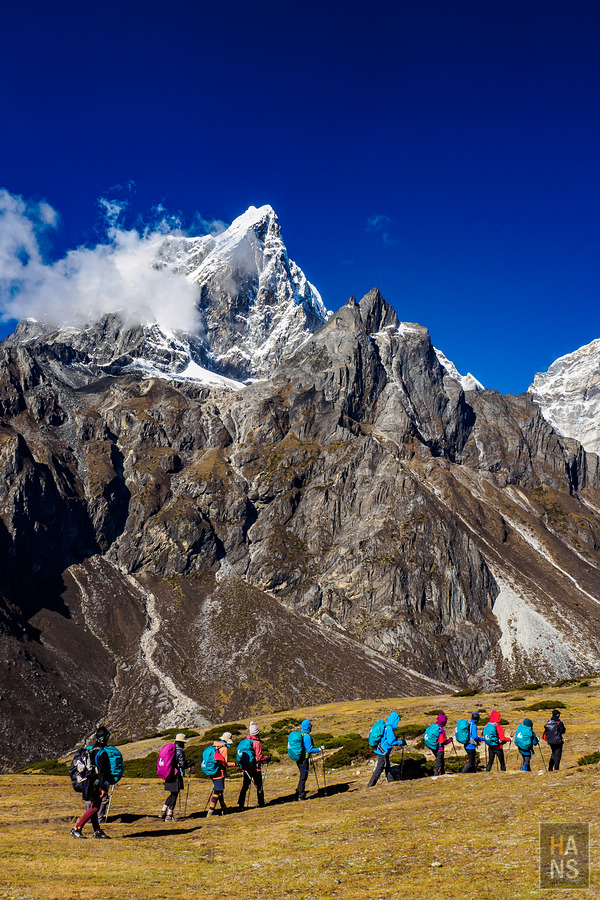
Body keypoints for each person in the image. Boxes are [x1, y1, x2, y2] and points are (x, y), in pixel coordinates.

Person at [69, 726, 112, 839]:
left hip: (90, 782)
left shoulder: (92, 750)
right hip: (97, 784)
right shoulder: (102, 753)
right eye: (108, 736)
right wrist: (103, 787)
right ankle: (77, 828)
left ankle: (97, 830)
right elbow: (102, 772)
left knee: (94, 806)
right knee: (95, 808)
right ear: (104, 738)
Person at [367, 712, 407, 786]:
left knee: (387, 766)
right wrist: (401, 742)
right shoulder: (389, 728)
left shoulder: (386, 726)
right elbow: (391, 741)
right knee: (380, 768)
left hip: (382, 750)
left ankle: (390, 781)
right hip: (383, 751)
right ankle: (370, 785)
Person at [238, 722, 270, 809]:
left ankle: (240, 804)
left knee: (245, 786)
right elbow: (259, 757)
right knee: (259, 785)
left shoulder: (246, 741)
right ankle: (261, 803)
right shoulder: (257, 743)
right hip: (255, 769)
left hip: (246, 768)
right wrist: (267, 758)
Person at [159, 733, 190, 822]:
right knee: (175, 794)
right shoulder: (180, 751)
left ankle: (163, 811)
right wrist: (189, 764)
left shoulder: (171, 749)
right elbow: (182, 765)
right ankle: (169, 815)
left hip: (169, 773)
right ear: (181, 742)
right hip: (176, 774)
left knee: (172, 793)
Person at [207, 732, 235, 816]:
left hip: (213, 771)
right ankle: (210, 812)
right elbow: (224, 763)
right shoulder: (224, 748)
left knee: (219, 790)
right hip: (219, 772)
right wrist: (235, 764)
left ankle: (224, 808)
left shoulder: (215, 746)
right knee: (217, 791)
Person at [295, 720, 324, 800]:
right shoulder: (307, 737)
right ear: (308, 727)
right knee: (303, 777)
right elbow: (309, 750)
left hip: (299, 759)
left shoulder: (300, 734)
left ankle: (298, 793)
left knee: (302, 776)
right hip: (304, 759)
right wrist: (319, 749)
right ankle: (300, 795)